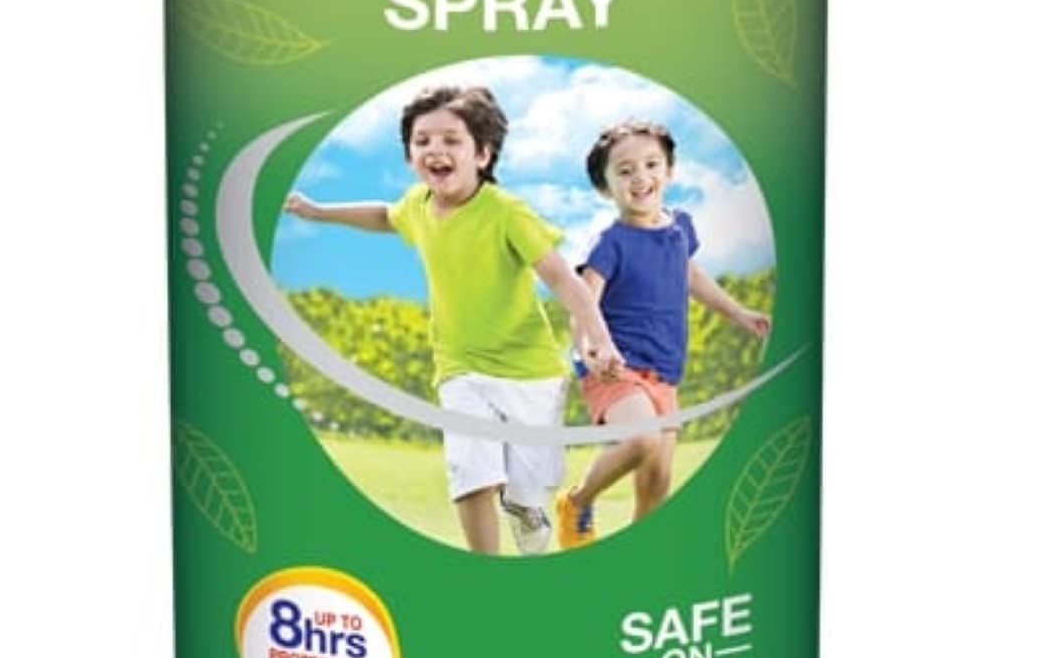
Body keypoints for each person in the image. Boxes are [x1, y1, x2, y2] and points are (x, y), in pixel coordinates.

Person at [284, 83, 619, 555]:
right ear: (409, 156)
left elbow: (563, 279)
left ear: (482, 154)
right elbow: (385, 216)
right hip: (459, 366)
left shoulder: (506, 213)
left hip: (531, 371)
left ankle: (524, 506)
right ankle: (485, 571)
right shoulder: (418, 205)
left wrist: (598, 339)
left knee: (531, 484)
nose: (434, 150)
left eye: (450, 140)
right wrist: (319, 212)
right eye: (421, 141)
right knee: (471, 470)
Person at [555, 119, 772, 547]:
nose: (640, 177)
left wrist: (738, 312)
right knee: (641, 439)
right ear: (605, 188)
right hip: (615, 367)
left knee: (656, 483)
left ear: (669, 171)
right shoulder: (608, 243)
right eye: (625, 171)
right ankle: (577, 502)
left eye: (652, 164)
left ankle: (639, 559)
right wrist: (590, 349)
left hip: (664, 370)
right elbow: (584, 303)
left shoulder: (680, 228)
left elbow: (690, 276)